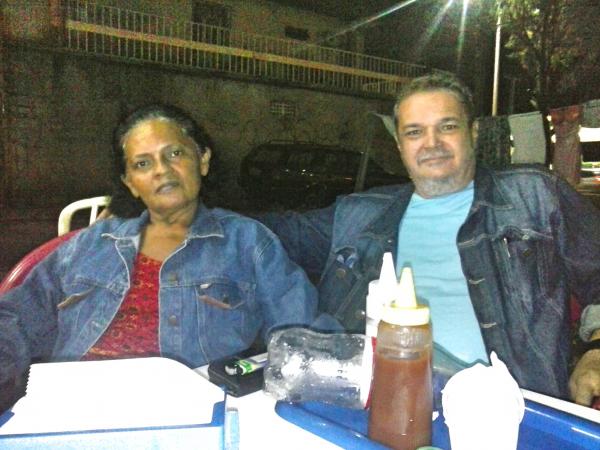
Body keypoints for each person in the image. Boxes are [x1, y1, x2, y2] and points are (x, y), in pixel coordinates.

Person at [260, 73, 600, 405]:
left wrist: (595, 351)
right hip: (378, 405)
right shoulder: (359, 213)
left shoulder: (535, 195)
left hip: (511, 412)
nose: (432, 143)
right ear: (399, 145)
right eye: (414, 132)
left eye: (447, 127)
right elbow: (263, 234)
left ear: (473, 133)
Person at [0, 104, 319, 405]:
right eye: (142, 163)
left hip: (188, 412)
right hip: (70, 406)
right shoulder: (92, 244)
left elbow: (302, 336)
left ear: (203, 160)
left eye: (175, 153)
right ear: (130, 183)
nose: (161, 171)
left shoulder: (248, 242)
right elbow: (16, 320)